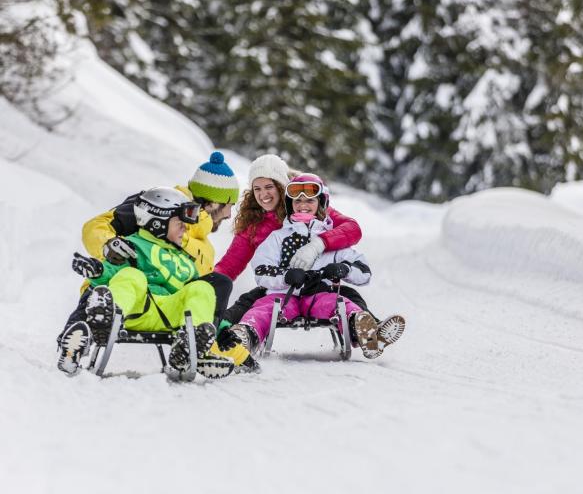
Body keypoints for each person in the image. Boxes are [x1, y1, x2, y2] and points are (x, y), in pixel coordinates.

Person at [57, 187, 247, 378]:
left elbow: (199, 300)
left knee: (202, 287)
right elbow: (113, 272)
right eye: (179, 223)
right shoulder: (134, 245)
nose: (184, 228)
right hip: (139, 308)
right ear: (157, 223)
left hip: (172, 314)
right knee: (131, 276)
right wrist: (98, 271)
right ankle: (106, 317)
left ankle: (191, 345)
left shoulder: (185, 260)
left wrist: (220, 328)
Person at [229, 173, 406, 359]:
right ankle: (245, 335)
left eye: (309, 201)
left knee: (340, 304)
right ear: (290, 205)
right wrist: (285, 276)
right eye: (297, 201)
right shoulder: (278, 237)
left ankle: (365, 333)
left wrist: (344, 269)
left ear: (321, 203)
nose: (302, 205)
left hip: (319, 294)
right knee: (265, 308)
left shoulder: (328, 238)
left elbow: (363, 270)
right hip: (284, 294)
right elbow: (261, 269)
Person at [214, 154, 367, 329]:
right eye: (257, 188)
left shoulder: (306, 206)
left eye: (269, 187)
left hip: (317, 283)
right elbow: (229, 266)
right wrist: (210, 283)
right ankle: (221, 331)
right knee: (247, 303)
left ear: (281, 187)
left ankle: (366, 329)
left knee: (349, 297)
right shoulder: (254, 224)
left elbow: (352, 229)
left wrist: (318, 244)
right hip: (279, 285)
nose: (263, 194)